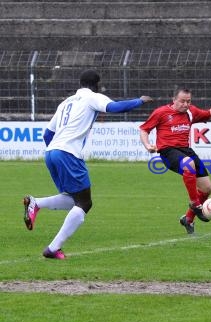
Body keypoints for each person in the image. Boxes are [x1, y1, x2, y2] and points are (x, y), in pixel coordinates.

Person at [23, 69, 153, 260]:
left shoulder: (65, 102)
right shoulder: (92, 97)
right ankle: (53, 248)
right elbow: (116, 107)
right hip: (68, 154)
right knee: (85, 203)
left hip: (51, 153)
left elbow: (47, 135)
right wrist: (139, 100)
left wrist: (57, 150)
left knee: (71, 198)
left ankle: (37, 203)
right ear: (96, 85)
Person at [139, 87, 211, 235]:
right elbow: (144, 129)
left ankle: (188, 219)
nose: (185, 104)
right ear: (174, 99)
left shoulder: (191, 111)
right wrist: (147, 145)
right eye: (182, 101)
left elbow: (209, 114)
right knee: (188, 163)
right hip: (168, 152)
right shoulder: (161, 112)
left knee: (207, 188)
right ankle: (195, 203)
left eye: (188, 101)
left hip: (186, 150)